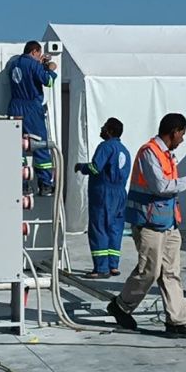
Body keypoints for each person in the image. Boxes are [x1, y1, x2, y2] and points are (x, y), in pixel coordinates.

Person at [106, 113, 186, 339]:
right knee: (149, 272)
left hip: (168, 224)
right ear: (174, 131)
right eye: (182, 134)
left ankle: (177, 322)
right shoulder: (149, 152)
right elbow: (160, 186)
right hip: (149, 223)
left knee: (171, 273)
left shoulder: (167, 154)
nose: (182, 139)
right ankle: (121, 306)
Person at [74, 117, 132, 279]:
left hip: (104, 194)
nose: (102, 129)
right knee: (115, 229)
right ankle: (113, 265)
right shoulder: (124, 150)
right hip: (120, 194)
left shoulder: (105, 147)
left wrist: (81, 167)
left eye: (105, 127)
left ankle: (101, 268)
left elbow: (95, 168)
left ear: (111, 131)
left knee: (99, 228)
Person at [8, 41, 57, 196]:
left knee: (17, 147)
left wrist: (39, 64)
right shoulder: (33, 65)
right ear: (35, 51)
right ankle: (45, 184)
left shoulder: (14, 65)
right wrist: (51, 70)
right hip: (31, 108)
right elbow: (48, 81)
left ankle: (22, 184)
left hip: (14, 107)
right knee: (40, 145)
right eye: (39, 54)